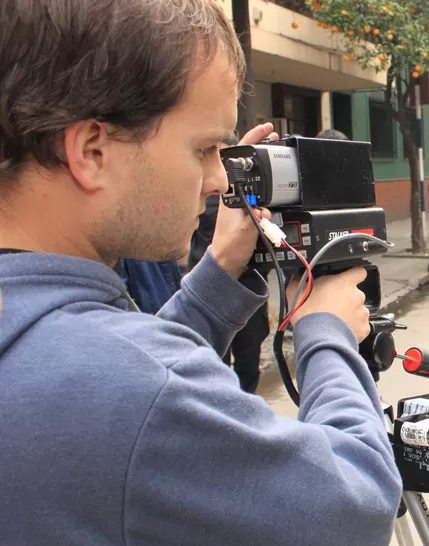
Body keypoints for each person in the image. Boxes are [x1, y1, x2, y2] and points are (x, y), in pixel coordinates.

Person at [0, 2, 401, 545]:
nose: (219, 181)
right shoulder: (137, 388)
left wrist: (218, 273)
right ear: (92, 150)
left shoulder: (44, 343)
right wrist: (325, 333)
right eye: (205, 148)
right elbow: (358, 506)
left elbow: (119, 399)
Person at [191, 193, 270, 394]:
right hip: (213, 292)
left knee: (248, 358)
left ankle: (244, 404)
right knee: (217, 360)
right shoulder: (204, 202)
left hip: (248, 292)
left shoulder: (251, 201)